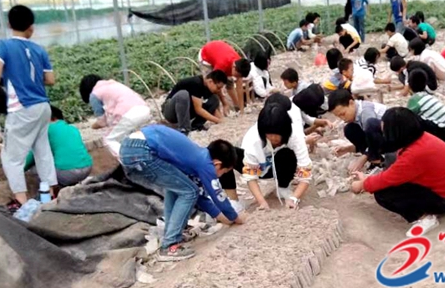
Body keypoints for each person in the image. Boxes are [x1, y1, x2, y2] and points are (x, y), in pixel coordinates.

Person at [119, 124, 244, 261]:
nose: (219, 176)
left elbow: (201, 198)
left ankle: (170, 233)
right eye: (223, 172)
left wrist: (223, 217)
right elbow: (218, 196)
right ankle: (169, 245)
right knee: (189, 192)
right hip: (142, 151)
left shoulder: (195, 157)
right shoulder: (206, 164)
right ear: (217, 164)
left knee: (179, 189)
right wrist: (235, 217)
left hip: (131, 146)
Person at [350, 107, 445, 236]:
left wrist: (362, 185)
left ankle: (425, 218)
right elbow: (395, 173)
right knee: (389, 177)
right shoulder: (421, 138)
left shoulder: (414, 154)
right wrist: (369, 179)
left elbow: (388, 179)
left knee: (383, 194)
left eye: (385, 129)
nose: (383, 131)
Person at [0, 5, 57, 205]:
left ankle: (21, 200)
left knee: (11, 156)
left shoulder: (3, 46)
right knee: (42, 150)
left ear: (9, 24)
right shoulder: (39, 49)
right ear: (31, 27)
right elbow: (50, 80)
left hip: (22, 107)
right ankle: (50, 192)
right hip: (43, 106)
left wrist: (11, 78)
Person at [237, 96, 313, 210]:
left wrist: (294, 199)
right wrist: (262, 202)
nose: (273, 139)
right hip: (260, 168)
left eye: (277, 137)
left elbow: (305, 172)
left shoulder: (295, 135)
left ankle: (283, 187)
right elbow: (251, 176)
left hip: (280, 165)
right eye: (269, 136)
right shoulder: (252, 140)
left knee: (287, 154)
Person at [80, 75, 151, 155]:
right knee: (128, 136)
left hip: (128, 114)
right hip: (144, 109)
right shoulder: (113, 84)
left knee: (109, 139)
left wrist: (93, 126)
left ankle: (127, 160)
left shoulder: (94, 94)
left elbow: (102, 123)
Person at [24, 106, 92, 189]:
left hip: (67, 173)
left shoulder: (46, 130)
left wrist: (20, 169)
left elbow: (33, 155)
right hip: (87, 168)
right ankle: (71, 186)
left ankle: (48, 192)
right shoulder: (72, 128)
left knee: (35, 168)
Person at [328, 89, 387, 173]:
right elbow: (369, 140)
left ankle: (377, 162)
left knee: (370, 124)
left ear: (351, 103)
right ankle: (375, 160)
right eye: (339, 116)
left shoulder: (366, 112)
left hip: (394, 139)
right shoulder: (356, 114)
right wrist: (348, 149)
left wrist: (363, 158)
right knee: (350, 129)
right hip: (382, 139)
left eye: (343, 114)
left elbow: (374, 135)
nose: (342, 118)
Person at [162, 71, 227, 134]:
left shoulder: (207, 87)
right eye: (218, 88)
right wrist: (218, 120)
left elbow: (212, 107)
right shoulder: (196, 83)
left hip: (185, 110)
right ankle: (184, 129)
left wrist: (222, 121)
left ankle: (196, 126)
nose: (219, 90)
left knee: (214, 99)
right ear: (210, 81)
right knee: (183, 94)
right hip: (170, 111)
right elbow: (198, 109)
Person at [198, 40, 252, 115]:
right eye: (237, 75)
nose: (237, 77)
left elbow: (239, 87)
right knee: (212, 86)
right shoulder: (222, 64)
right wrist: (224, 103)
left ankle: (237, 106)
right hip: (206, 57)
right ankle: (214, 109)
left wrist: (241, 109)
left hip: (219, 52)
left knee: (230, 83)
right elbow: (217, 85)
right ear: (234, 67)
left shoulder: (239, 63)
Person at [407, 70, 445, 142]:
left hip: (441, 133)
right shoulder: (427, 96)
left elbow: (407, 116)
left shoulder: (415, 99)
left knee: (411, 118)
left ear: (409, 85)